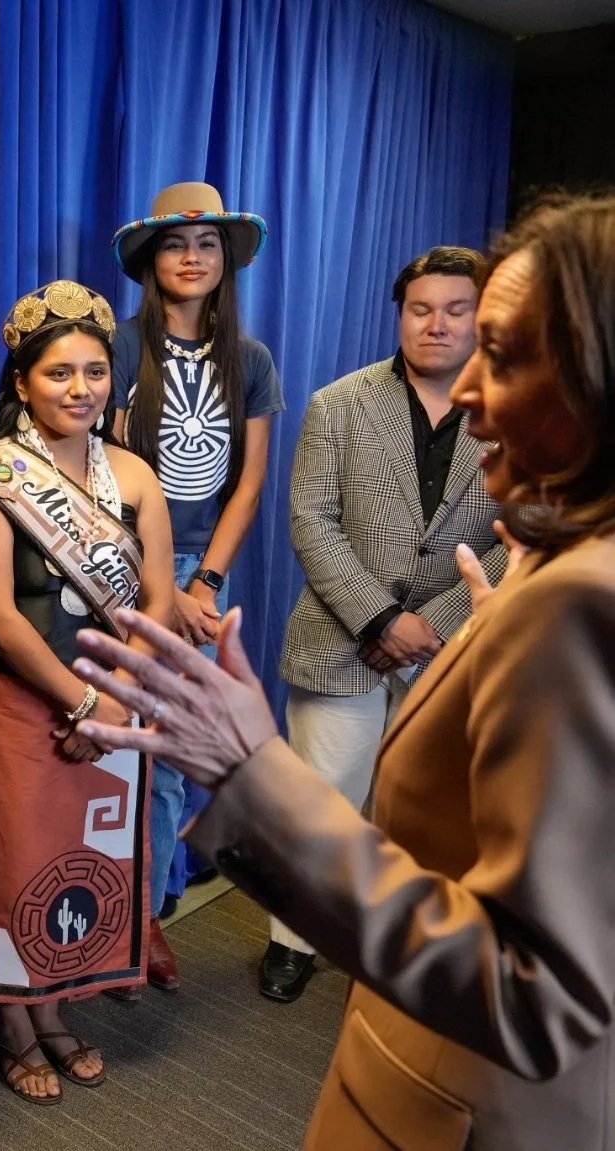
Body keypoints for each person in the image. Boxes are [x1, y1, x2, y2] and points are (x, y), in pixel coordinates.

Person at [73, 193, 615, 1151]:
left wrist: (248, 768)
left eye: (505, 351)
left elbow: (536, 994)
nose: (475, 391)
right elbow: (309, 519)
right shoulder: (559, 568)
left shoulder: (580, 601)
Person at [0, 280, 176, 1103]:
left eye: (94, 371)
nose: (79, 389)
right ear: (20, 384)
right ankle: (11, 1018)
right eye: (57, 374)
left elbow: (157, 603)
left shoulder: (137, 475)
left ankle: (55, 1005)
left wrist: (115, 698)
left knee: (79, 858)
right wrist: (81, 704)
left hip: (112, 700)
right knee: (10, 858)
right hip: (17, 705)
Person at [264, 246, 505, 1002]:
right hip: (342, 636)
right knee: (321, 801)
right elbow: (310, 519)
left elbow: (523, 532)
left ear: (481, 317)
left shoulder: (514, 406)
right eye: (418, 308)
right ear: (399, 314)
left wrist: (427, 622)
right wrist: (377, 615)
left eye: (454, 310)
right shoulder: (338, 402)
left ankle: (395, 945)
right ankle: (293, 940)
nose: (434, 324)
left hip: (454, 639)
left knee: (428, 811)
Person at [108, 182, 285, 993]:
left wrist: (202, 579)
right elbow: (99, 471)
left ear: (224, 260)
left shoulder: (248, 360)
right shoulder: (111, 347)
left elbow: (246, 483)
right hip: (117, 565)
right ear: (151, 259)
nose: (190, 257)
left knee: (172, 753)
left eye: (206, 245)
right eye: (176, 245)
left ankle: (146, 913)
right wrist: (155, 581)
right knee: (106, 741)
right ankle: (98, 911)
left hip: (197, 574)